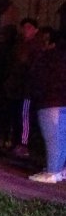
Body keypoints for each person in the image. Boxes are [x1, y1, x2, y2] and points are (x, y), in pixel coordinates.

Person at [27, 30, 66, 182]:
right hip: (60, 101)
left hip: (50, 102)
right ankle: (58, 170)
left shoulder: (47, 57)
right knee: (62, 138)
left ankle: (52, 172)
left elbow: (37, 78)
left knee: (54, 138)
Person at [1, 18, 40, 158]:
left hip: (27, 88)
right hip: (16, 87)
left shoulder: (36, 46)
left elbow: (32, 68)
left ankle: (24, 144)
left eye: (29, 27)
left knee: (25, 117)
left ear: (35, 30)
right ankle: (15, 141)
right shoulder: (18, 46)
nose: (26, 30)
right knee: (16, 115)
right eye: (24, 27)